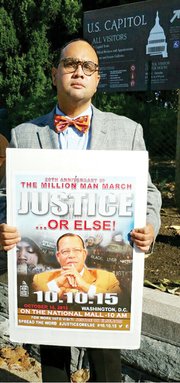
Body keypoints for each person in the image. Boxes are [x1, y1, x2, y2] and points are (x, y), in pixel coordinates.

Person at [0, 38, 161, 382]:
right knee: (53, 363)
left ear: (98, 79)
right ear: (55, 73)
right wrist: (5, 226)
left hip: (104, 278)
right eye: (71, 63)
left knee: (106, 368)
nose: (79, 71)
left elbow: (148, 193)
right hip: (49, 289)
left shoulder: (128, 131)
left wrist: (148, 225)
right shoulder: (24, 135)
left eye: (88, 67)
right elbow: (5, 199)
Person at [32, 233, 121, 296]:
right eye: (65, 251)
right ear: (58, 256)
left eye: (77, 250)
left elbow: (121, 301)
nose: (71, 255)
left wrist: (84, 286)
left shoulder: (108, 278)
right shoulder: (39, 279)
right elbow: (29, 300)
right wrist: (56, 283)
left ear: (84, 254)